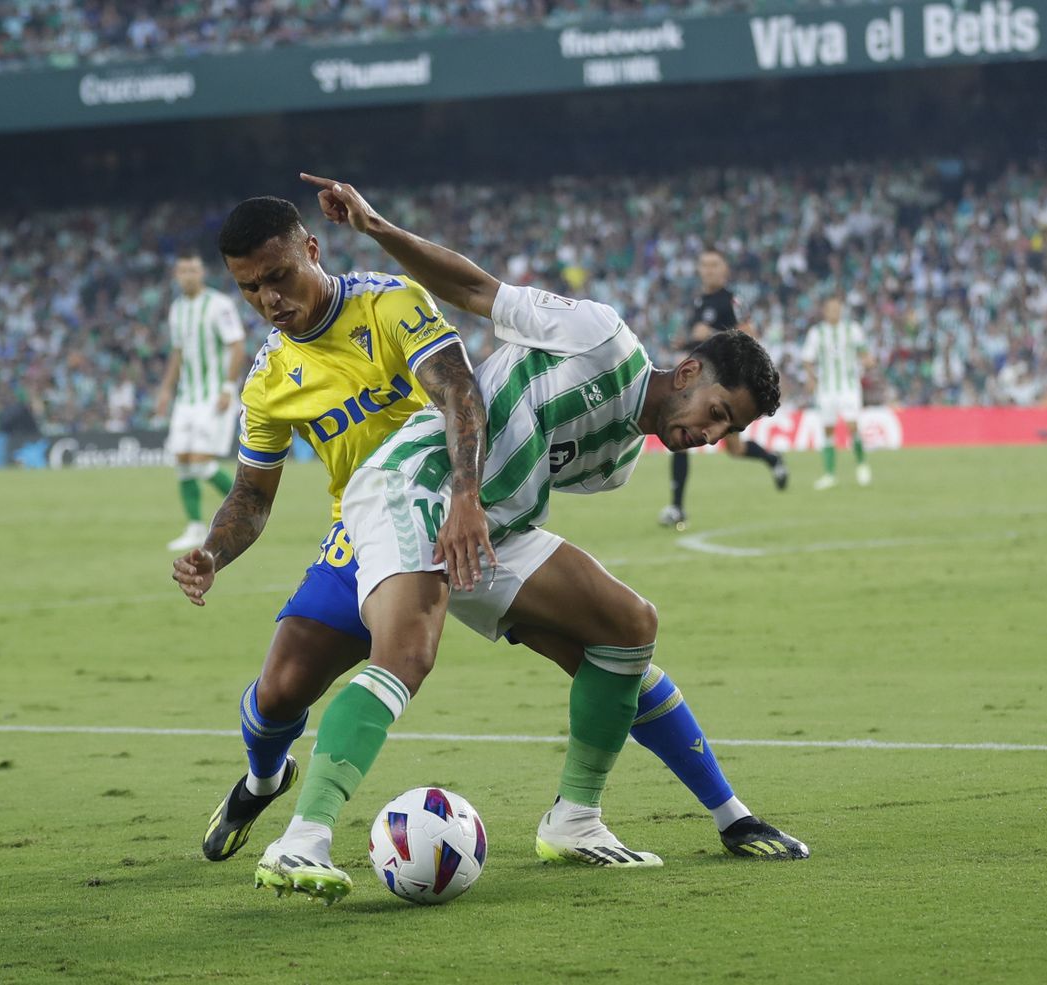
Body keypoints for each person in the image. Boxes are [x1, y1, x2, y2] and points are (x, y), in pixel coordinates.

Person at [174, 192, 807, 880]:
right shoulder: (601, 337)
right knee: (356, 670)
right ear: (687, 373)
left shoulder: (616, 463)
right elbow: (477, 299)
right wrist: (377, 226)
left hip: (485, 524)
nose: (711, 436)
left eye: (728, 429)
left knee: (626, 628)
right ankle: (298, 834)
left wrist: (478, 510)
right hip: (411, 483)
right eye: (716, 413)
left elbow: (496, 431)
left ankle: (610, 818)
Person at [659, 249, 787, 530]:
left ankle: (772, 458)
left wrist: (712, 334)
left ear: (724, 268)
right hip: (701, 384)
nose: (708, 270)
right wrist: (684, 343)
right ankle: (677, 507)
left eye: (714, 264)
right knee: (678, 433)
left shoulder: (731, 300)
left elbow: (751, 338)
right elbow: (701, 344)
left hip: (724, 387)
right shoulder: (698, 301)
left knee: (735, 449)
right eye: (704, 264)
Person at [153, 252, 248, 551]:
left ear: (202, 272)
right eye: (183, 270)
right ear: (176, 275)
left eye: (193, 270)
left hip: (212, 395)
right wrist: (166, 390)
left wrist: (228, 387)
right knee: (181, 459)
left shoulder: (219, 305)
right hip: (186, 398)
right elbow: (178, 353)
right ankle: (194, 528)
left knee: (201, 462)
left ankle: (249, 512)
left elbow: (236, 344)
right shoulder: (178, 309)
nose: (188, 275)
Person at [804, 296, 871, 490]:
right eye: (831, 308)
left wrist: (867, 360)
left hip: (849, 387)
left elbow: (864, 352)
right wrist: (810, 378)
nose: (835, 311)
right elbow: (808, 358)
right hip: (826, 389)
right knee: (827, 429)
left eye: (838, 308)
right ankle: (830, 474)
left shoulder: (853, 329)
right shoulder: (817, 333)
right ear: (825, 311)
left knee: (852, 426)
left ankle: (861, 464)